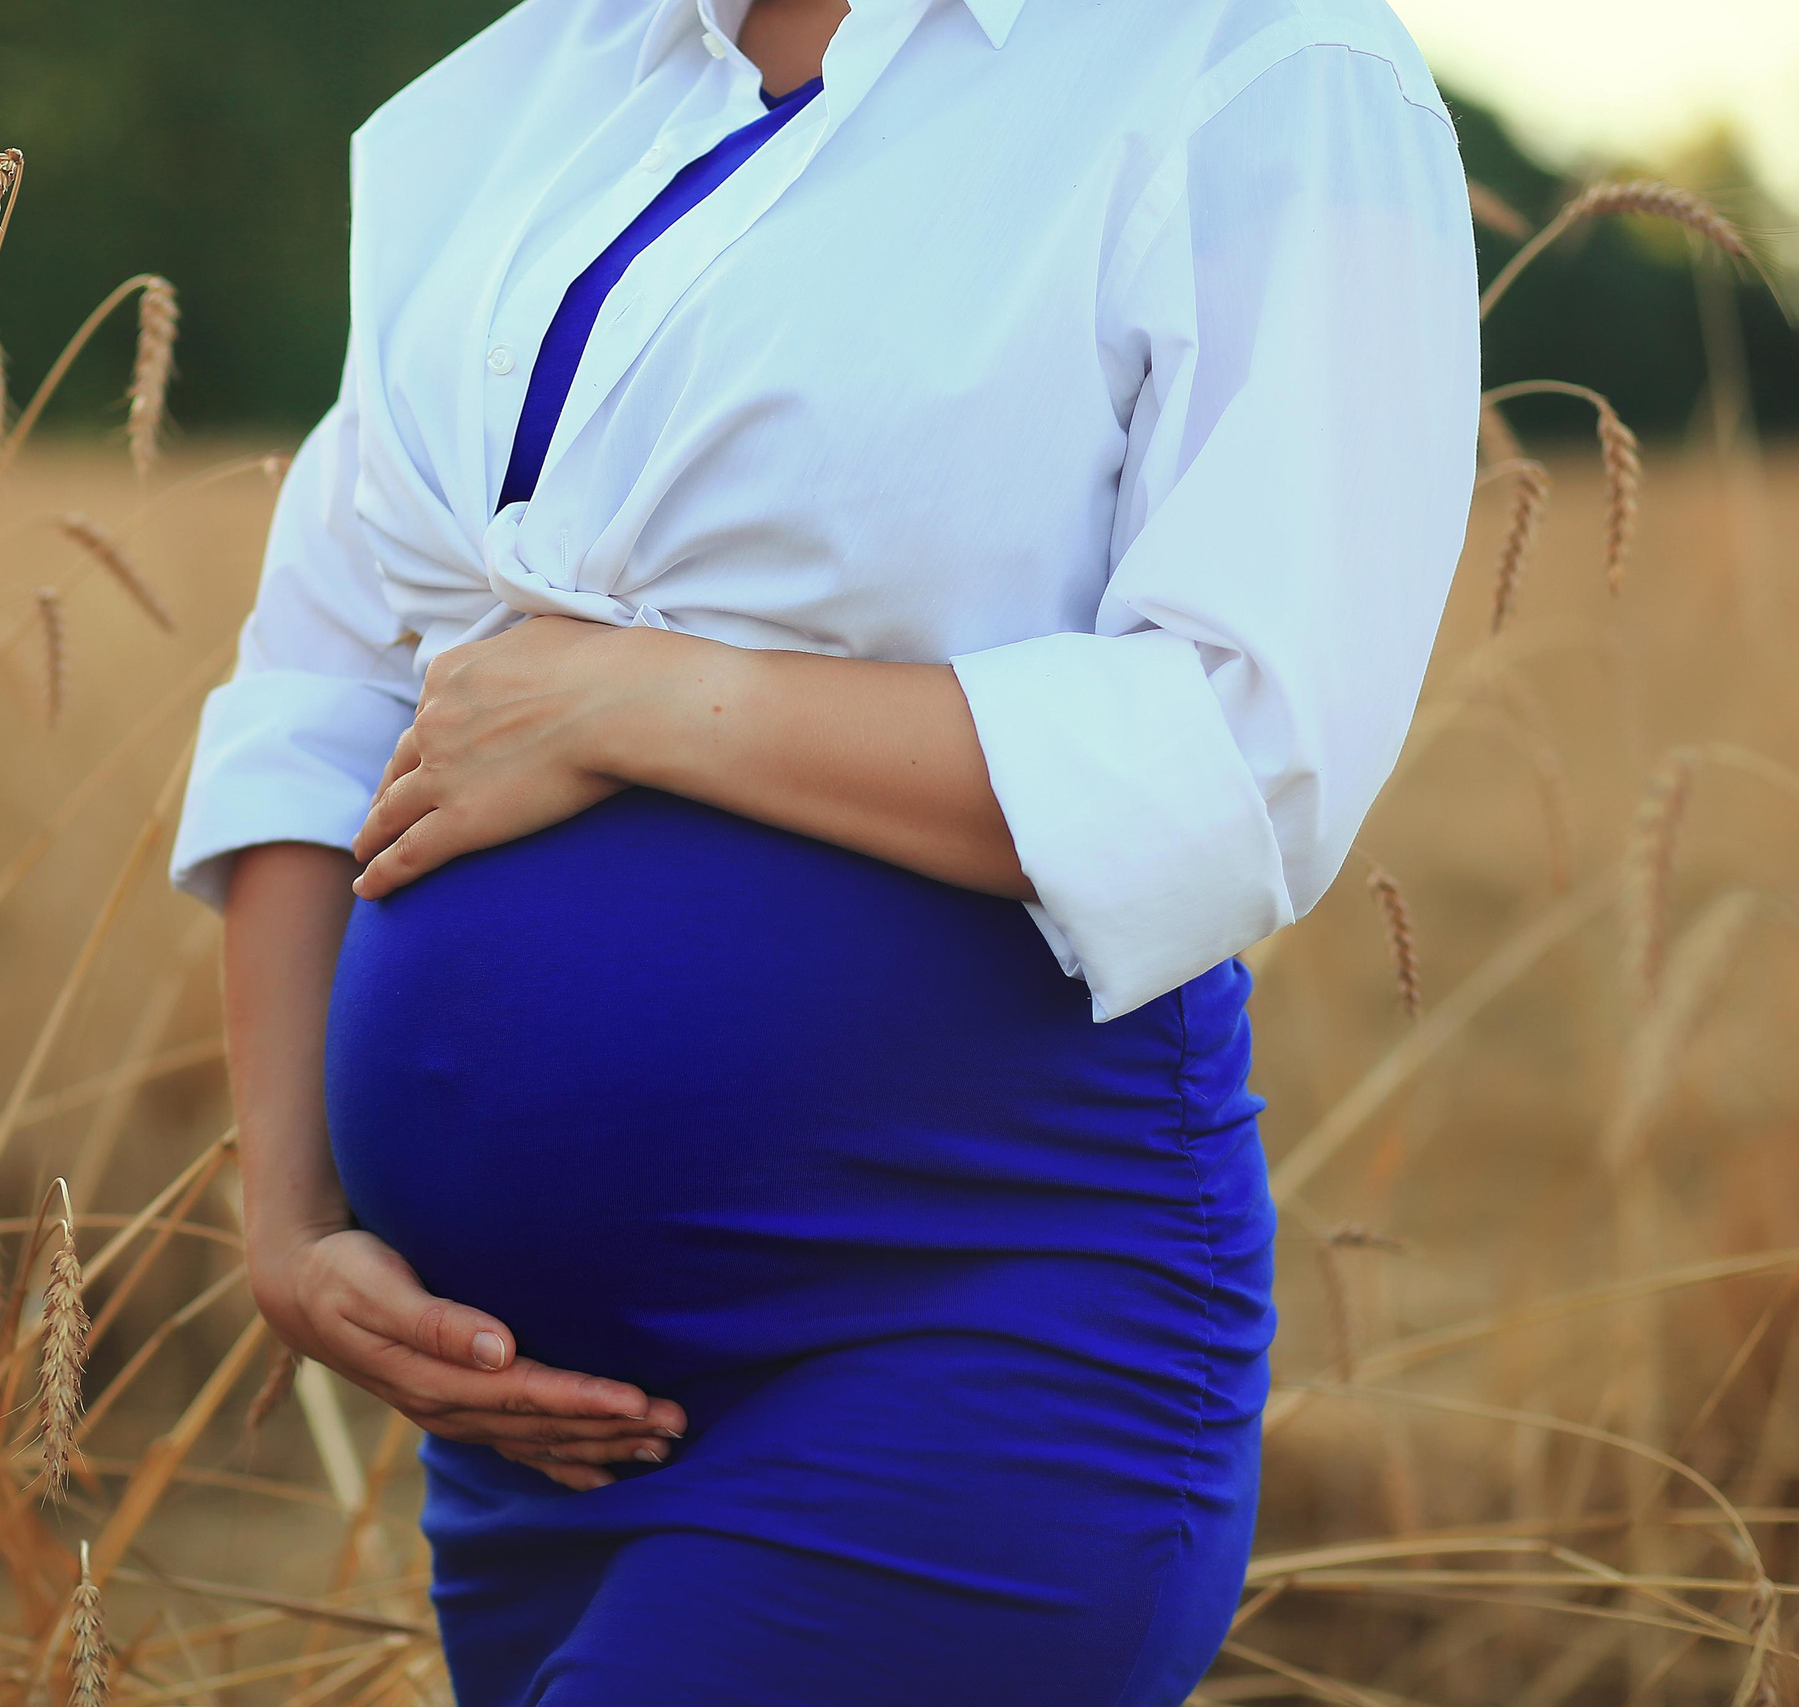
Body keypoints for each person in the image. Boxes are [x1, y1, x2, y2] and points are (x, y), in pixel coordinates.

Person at [169, 0, 1478, 1699]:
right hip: (520, 1431)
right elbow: (325, 673)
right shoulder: (540, 81)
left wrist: (646, 704)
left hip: (957, 1339)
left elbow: (1248, 746)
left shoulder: (1264, 68)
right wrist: (286, 1211)